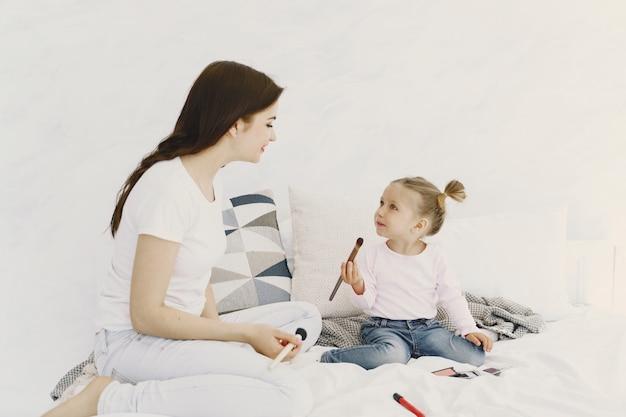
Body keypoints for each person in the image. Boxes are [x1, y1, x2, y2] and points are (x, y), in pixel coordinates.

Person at [43, 61, 322, 417]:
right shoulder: (168, 189)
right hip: (135, 342)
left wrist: (219, 333)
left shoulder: (210, 179)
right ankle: (106, 399)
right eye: (268, 124)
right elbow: (145, 316)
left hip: (183, 332)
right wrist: (242, 336)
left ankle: (208, 371)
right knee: (291, 395)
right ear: (237, 124)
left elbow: (199, 272)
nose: (273, 136)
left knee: (305, 316)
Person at [320, 176, 492, 370]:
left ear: (418, 225)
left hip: (426, 328)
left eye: (393, 207)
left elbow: (452, 297)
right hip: (384, 327)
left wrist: (468, 329)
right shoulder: (373, 254)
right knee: (393, 356)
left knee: (475, 356)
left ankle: (412, 350)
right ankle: (331, 358)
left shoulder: (435, 256)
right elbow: (366, 304)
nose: (380, 211)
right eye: (382, 203)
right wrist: (357, 284)